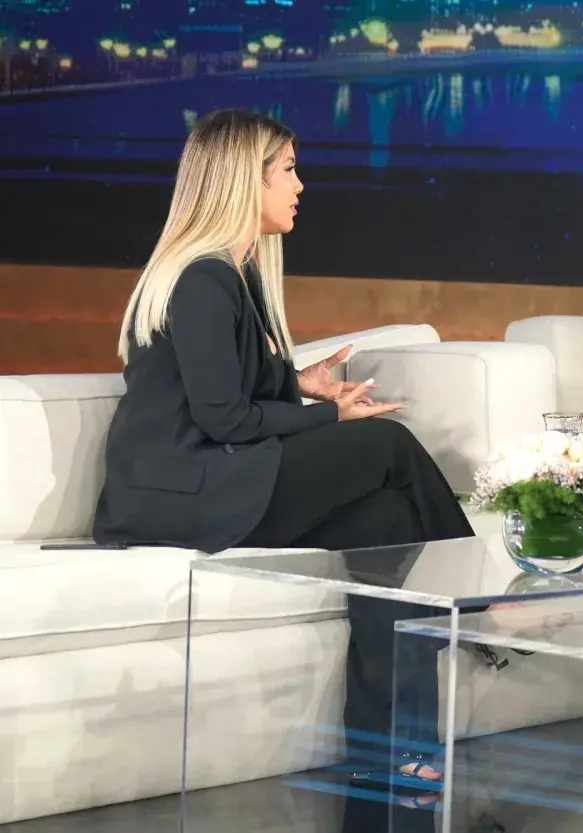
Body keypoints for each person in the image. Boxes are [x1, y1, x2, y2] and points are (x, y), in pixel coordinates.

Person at [92, 108, 472, 784]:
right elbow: (224, 419)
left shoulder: (237, 276)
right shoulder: (202, 277)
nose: (301, 185)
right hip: (180, 493)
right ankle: (486, 604)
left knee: (386, 521)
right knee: (387, 445)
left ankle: (390, 749)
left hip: (217, 476)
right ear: (246, 179)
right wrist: (329, 418)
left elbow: (226, 387)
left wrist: (299, 383)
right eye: (289, 171)